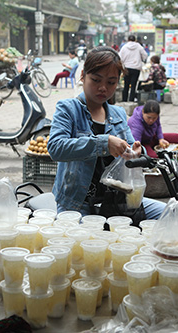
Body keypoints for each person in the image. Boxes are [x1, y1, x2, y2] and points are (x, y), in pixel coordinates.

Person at [47, 46, 165, 221]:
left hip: (116, 200)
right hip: (78, 203)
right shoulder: (68, 109)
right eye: (96, 80)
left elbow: (134, 147)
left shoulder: (117, 114)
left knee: (169, 212)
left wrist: (138, 153)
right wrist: (103, 143)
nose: (103, 88)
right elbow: (56, 148)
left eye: (111, 82)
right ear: (83, 76)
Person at [119, 35, 148, 102]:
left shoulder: (124, 47)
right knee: (133, 85)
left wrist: (123, 64)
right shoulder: (139, 47)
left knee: (126, 85)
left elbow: (120, 57)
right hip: (136, 68)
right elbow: (145, 55)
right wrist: (141, 59)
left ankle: (124, 100)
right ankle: (131, 100)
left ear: (128, 39)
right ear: (135, 40)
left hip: (127, 68)